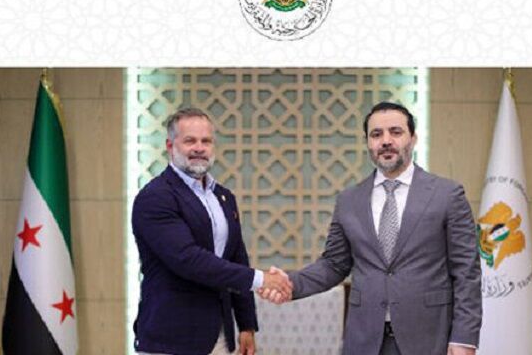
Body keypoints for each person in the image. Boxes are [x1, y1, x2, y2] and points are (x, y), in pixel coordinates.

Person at [260, 102, 482, 355]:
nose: (386, 141)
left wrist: (464, 338)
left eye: (396, 132)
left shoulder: (447, 195)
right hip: (365, 340)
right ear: (367, 143)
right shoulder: (349, 200)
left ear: (413, 139)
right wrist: (289, 283)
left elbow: (466, 271)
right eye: (376, 134)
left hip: (429, 338)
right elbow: (334, 264)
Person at [132, 108, 292, 355]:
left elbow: (237, 257)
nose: (199, 148)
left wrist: (246, 325)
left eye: (205, 141)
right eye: (190, 141)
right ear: (170, 146)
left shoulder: (224, 197)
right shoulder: (155, 197)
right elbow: (188, 259)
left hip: (219, 337)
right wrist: (261, 279)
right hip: (170, 337)